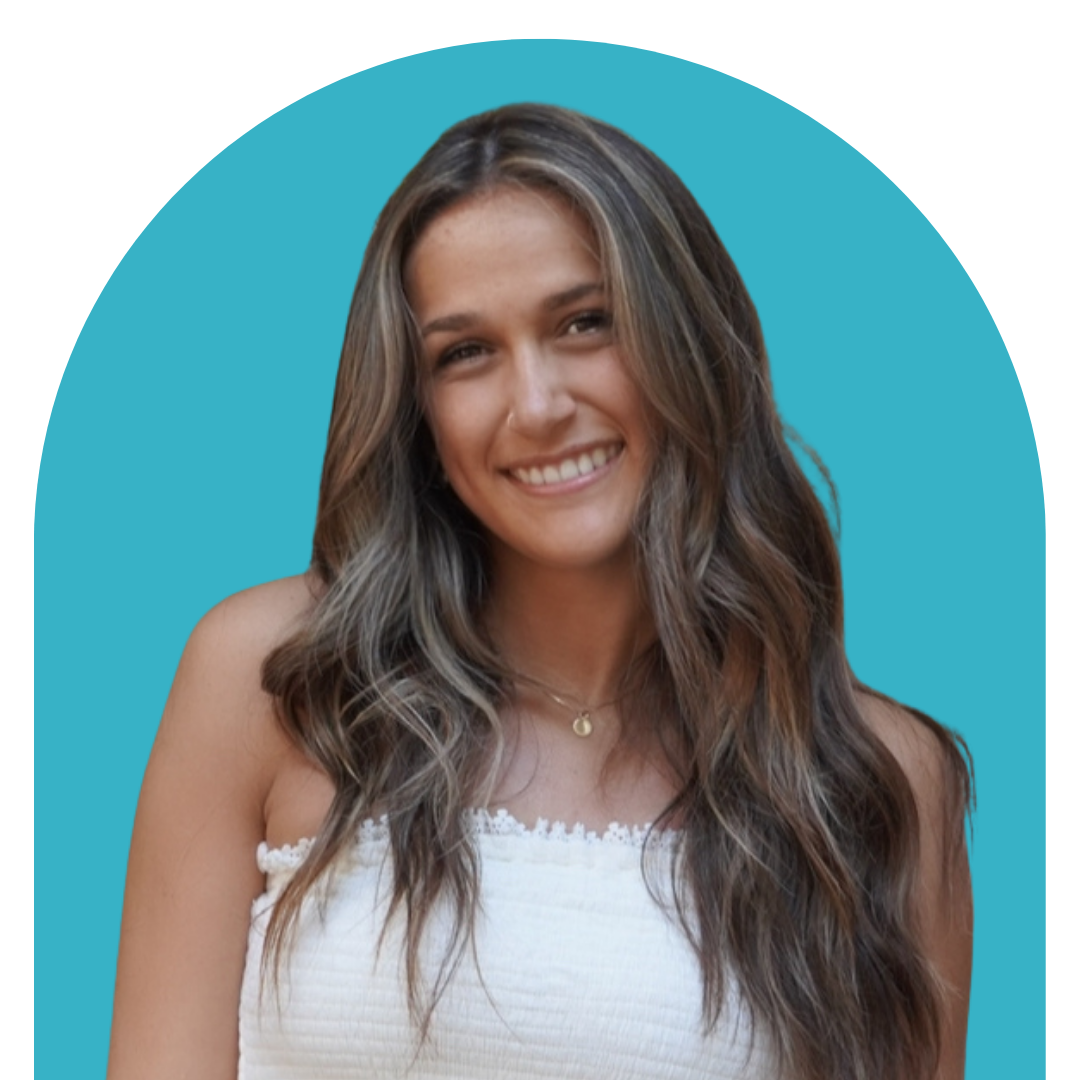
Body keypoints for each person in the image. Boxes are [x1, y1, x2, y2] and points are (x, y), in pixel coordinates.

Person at [106, 104, 973, 1080]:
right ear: (415, 407)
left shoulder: (874, 780)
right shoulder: (272, 677)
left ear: (688, 339)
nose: (539, 405)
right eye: (465, 352)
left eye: (585, 323)